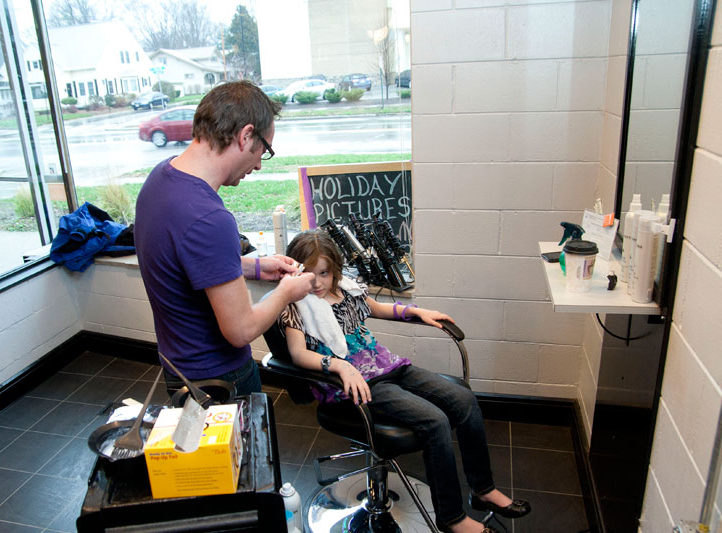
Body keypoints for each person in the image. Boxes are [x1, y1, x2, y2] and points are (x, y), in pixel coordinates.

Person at [278, 230, 531, 533]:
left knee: (463, 400)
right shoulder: (295, 306)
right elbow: (296, 353)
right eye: (308, 273)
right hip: (357, 385)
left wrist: (415, 312)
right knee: (434, 420)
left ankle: (482, 489)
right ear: (294, 271)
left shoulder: (344, 290)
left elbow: (377, 308)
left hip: (388, 366)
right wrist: (338, 366)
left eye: (324, 273)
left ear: (335, 271)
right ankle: (452, 518)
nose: (317, 282)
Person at [135, 81, 314, 396]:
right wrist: (287, 291)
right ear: (246, 136)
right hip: (220, 379)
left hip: (179, 371)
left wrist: (254, 267)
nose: (259, 164)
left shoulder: (160, 180)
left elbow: (187, 263)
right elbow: (241, 330)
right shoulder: (209, 218)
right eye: (264, 150)